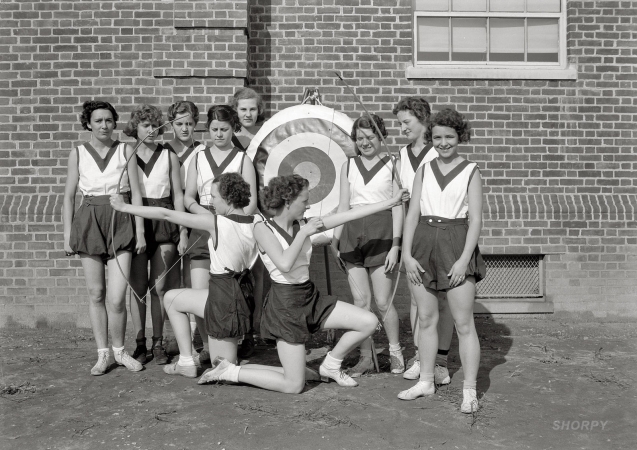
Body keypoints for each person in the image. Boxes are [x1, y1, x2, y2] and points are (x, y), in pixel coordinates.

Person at [195, 174, 409, 393]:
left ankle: (331, 365)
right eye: (304, 200)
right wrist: (304, 233)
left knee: (368, 322)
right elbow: (284, 263)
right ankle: (228, 371)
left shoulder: (303, 224)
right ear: (288, 201)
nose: (308, 206)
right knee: (294, 385)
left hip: (309, 297)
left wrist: (391, 202)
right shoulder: (262, 227)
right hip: (284, 306)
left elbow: (349, 215)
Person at [110, 173, 258, 378]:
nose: (211, 203)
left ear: (228, 198)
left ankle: (186, 361)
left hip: (223, 301)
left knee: (170, 298)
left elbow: (166, 214)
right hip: (242, 300)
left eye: (214, 197)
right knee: (223, 364)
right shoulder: (257, 222)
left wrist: (125, 207)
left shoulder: (215, 223)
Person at [399, 109, 486, 414]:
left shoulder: (471, 170)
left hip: (455, 242)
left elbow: (475, 220)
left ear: (460, 137)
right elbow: (411, 214)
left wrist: (463, 260)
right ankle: (425, 381)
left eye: (449, 137)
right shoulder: (424, 169)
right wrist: (406, 254)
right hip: (423, 242)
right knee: (426, 319)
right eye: (437, 137)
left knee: (463, 323)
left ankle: (470, 390)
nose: (443, 143)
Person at [63, 100, 145, 375]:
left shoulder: (125, 149)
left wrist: (141, 230)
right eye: (98, 120)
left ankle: (121, 352)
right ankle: (103, 354)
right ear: (88, 123)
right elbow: (68, 197)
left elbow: (136, 193)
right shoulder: (77, 153)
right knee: (96, 292)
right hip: (89, 221)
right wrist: (67, 235)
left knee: (117, 297)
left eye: (109, 120)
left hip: (120, 221)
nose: (104, 125)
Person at [331, 114, 405, 377]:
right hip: (353, 235)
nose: (364, 142)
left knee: (383, 301)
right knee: (361, 303)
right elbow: (343, 206)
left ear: (380, 136)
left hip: (382, 235)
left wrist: (396, 245)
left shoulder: (393, 165)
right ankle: (365, 357)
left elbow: (398, 207)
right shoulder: (348, 166)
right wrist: (336, 240)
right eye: (359, 138)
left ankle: (395, 351)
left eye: (370, 137)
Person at [183, 104, 258, 361]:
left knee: (229, 291)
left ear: (233, 128)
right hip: (203, 226)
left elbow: (251, 202)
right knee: (202, 291)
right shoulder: (198, 157)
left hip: (232, 227)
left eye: (224, 129)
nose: (218, 134)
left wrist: (227, 218)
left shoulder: (242, 158)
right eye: (214, 129)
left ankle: (232, 343)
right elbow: (188, 198)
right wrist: (204, 215)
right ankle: (206, 346)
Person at [393, 97, 453, 385]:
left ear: (423, 120)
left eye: (406, 122)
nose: (402, 128)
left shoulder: (439, 150)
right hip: (414, 233)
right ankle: (420, 357)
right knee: (419, 300)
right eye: (400, 123)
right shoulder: (401, 156)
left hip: (441, 232)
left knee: (444, 301)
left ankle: (440, 361)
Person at [124, 104, 185, 365]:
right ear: (135, 128)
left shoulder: (168, 154)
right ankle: (140, 343)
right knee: (138, 287)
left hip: (163, 219)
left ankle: (158, 342)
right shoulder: (127, 152)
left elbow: (178, 194)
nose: (150, 130)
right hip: (136, 219)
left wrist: (182, 231)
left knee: (159, 287)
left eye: (153, 125)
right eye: (144, 125)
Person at [163, 101, 206, 354]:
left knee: (193, 277)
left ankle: (195, 334)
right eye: (179, 124)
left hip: (196, 213)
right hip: (171, 214)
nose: (185, 128)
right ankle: (172, 336)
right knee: (169, 276)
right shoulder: (164, 150)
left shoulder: (202, 150)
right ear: (171, 125)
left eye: (190, 123)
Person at [231, 87, 268, 357]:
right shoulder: (228, 137)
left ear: (259, 110)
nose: (248, 113)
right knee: (237, 270)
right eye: (243, 109)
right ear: (235, 111)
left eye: (252, 109)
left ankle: (259, 327)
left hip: (264, 209)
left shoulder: (269, 136)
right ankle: (241, 329)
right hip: (236, 211)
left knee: (261, 272)